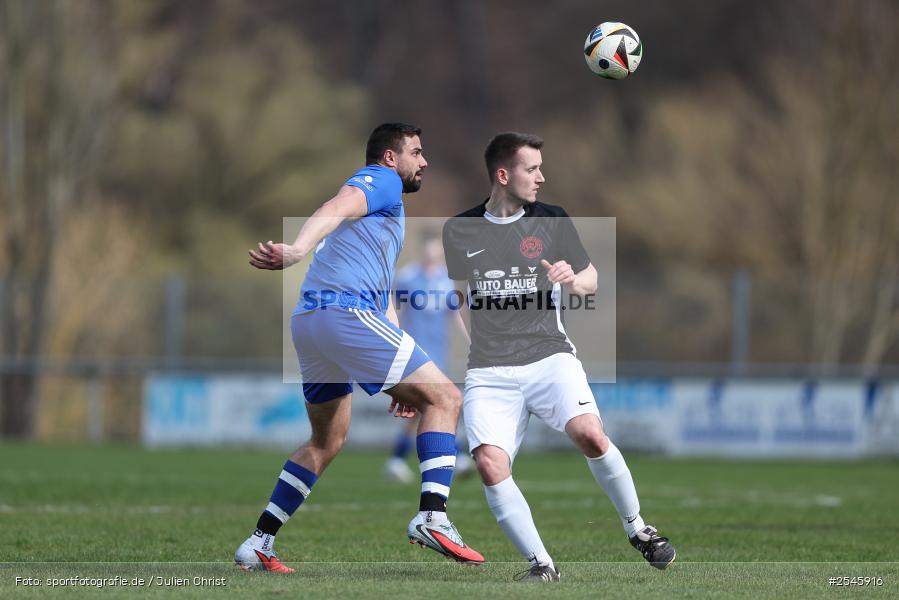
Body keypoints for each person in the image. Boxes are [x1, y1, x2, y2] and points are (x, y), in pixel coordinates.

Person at [236, 123, 484, 573]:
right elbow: (335, 205)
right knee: (447, 397)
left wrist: (403, 379)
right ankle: (433, 516)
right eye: (417, 152)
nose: (424, 161)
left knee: (327, 440)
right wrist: (297, 249)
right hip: (343, 315)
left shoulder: (383, 223)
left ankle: (258, 542)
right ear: (391, 157)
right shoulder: (381, 179)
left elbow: (383, 294)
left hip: (313, 321)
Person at [442, 132, 675, 582]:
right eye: (532, 169)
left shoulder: (552, 220)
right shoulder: (460, 229)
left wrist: (574, 279)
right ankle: (542, 565)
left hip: (549, 357)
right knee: (490, 464)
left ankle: (638, 529)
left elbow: (591, 279)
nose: (541, 177)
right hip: (489, 370)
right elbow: (461, 299)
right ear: (503, 175)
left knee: (589, 433)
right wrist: (478, 348)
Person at [384, 228, 475, 483]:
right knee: (442, 403)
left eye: (435, 248)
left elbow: (456, 313)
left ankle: (397, 459)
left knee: (425, 409)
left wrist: (472, 342)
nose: (431, 252)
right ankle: (457, 458)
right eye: (428, 247)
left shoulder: (447, 280)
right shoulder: (407, 277)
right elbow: (392, 307)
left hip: (439, 354)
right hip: (414, 354)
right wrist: (393, 339)